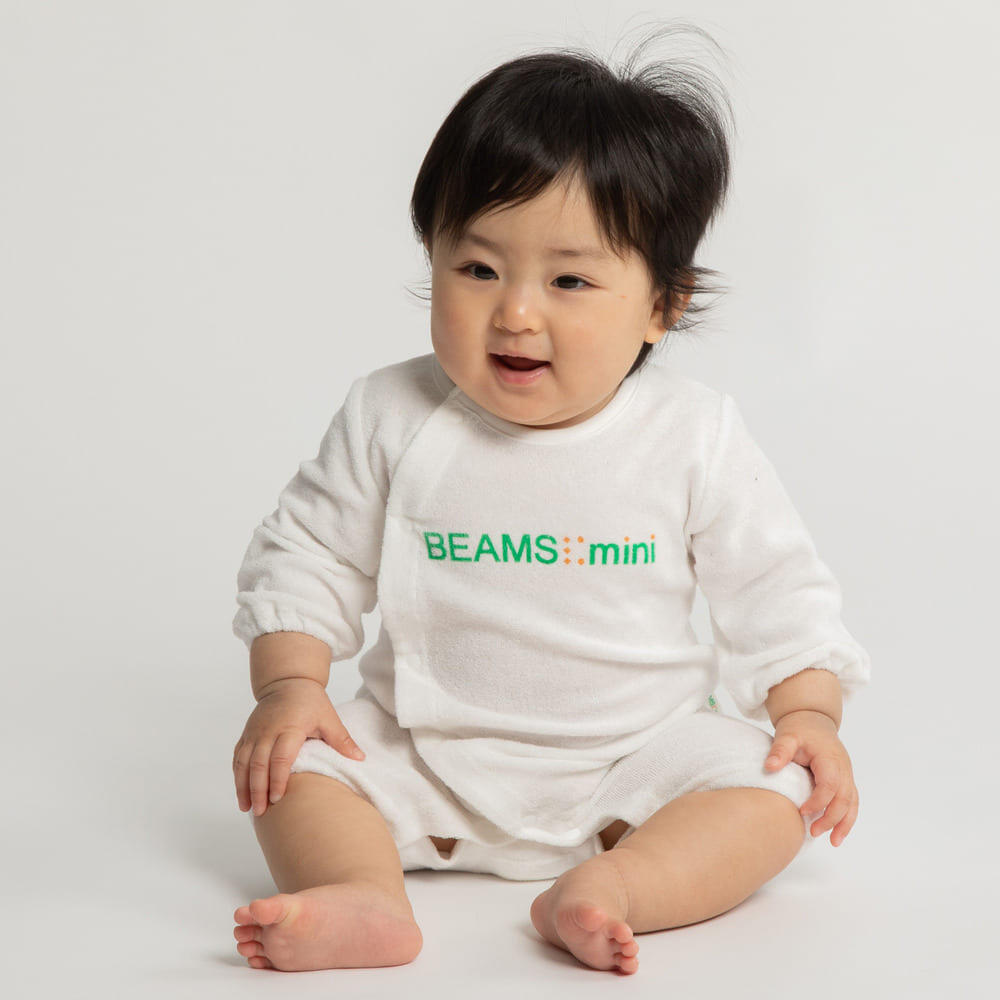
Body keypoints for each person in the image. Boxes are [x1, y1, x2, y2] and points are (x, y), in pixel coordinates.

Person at [230, 25, 871, 976]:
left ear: (662, 305)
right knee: (293, 766)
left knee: (772, 794)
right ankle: (362, 893)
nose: (516, 312)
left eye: (570, 279)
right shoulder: (390, 413)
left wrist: (809, 714)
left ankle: (617, 886)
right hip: (423, 750)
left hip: (637, 761)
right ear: (432, 256)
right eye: (478, 269)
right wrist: (291, 686)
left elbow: (777, 589)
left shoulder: (691, 434)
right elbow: (308, 554)